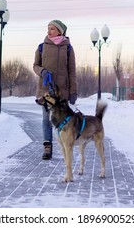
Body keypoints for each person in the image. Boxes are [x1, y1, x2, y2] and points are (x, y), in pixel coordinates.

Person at [33, 20, 77, 160]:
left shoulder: (68, 48)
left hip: (62, 92)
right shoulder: (42, 47)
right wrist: (43, 71)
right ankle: (47, 147)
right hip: (46, 90)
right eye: (48, 28)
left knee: (63, 120)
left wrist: (73, 91)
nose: (49, 31)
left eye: (52, 28)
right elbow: (35, 66)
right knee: (46, 119)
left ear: (60, 31)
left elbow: (72, 72)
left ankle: (65, 145)